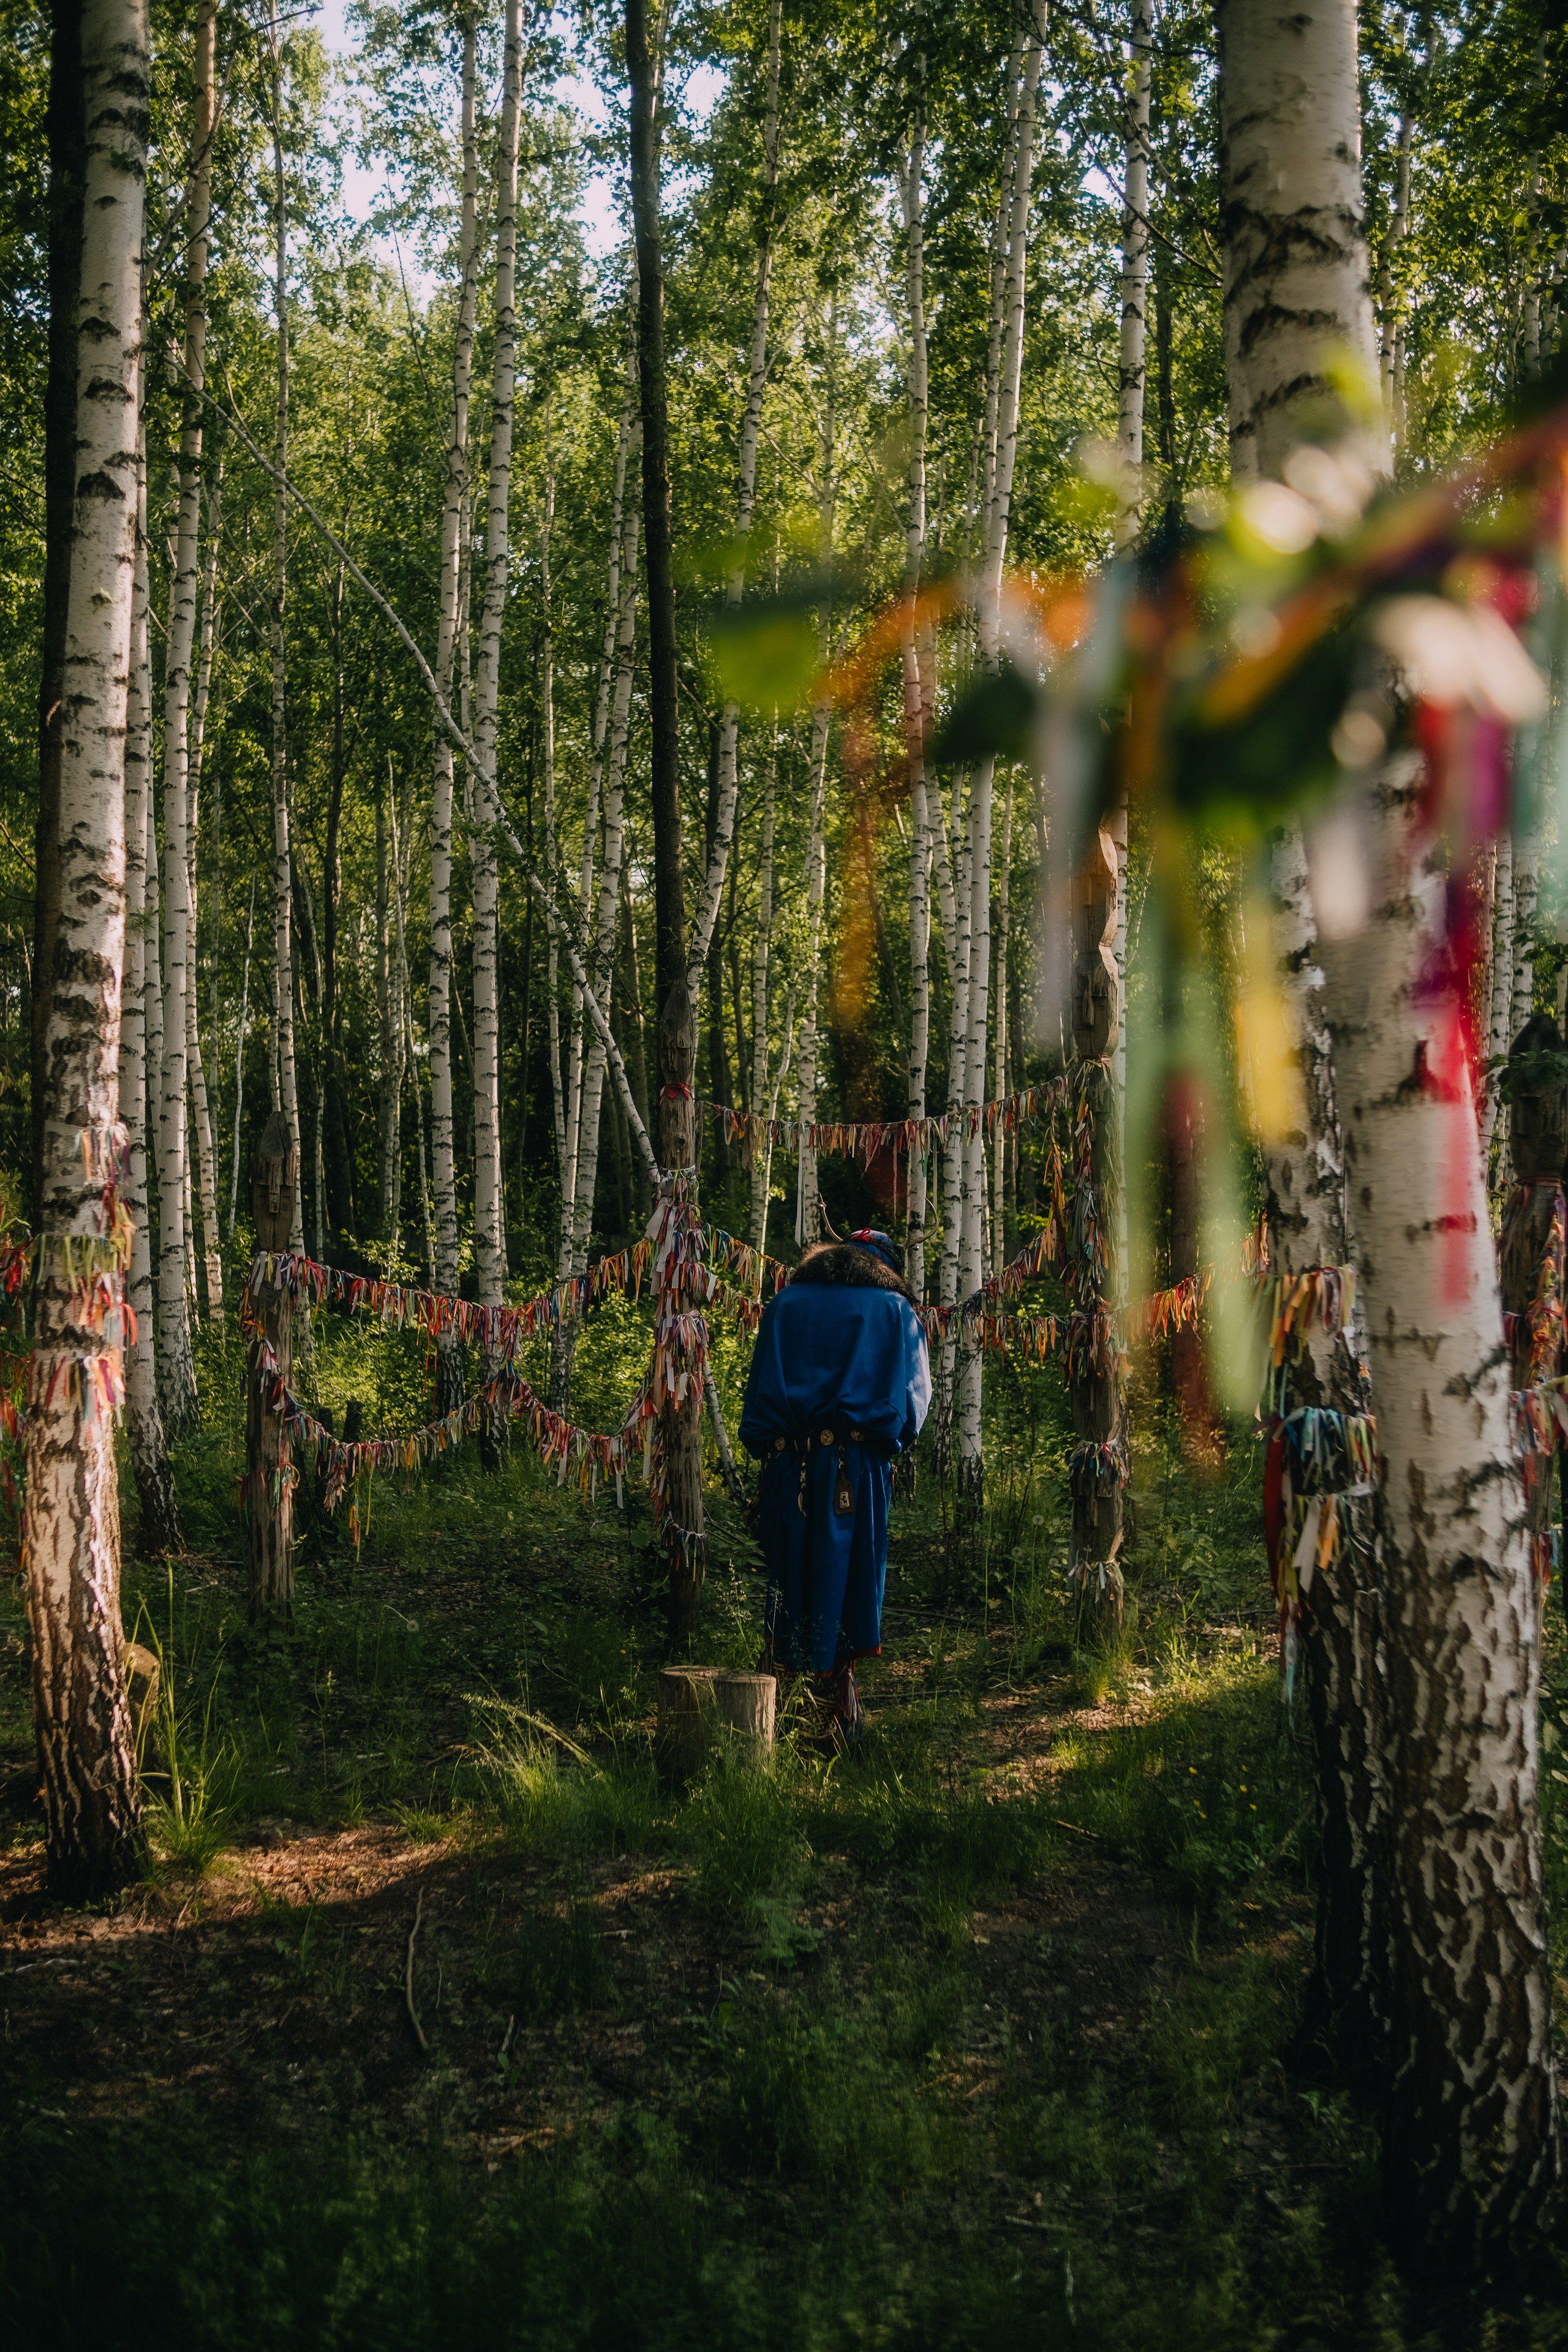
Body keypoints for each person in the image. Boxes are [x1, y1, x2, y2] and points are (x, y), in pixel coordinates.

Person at [738, 1225, 931, 1735]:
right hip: (855, 1470)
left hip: (787, 1468)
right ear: (885, 1266)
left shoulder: (785, 1304)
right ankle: (832, 1718)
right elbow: (913, 1404)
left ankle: (781, 1713)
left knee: (789, 1583)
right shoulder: (894, 1311)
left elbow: (757, 1400)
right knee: (844, 1586)